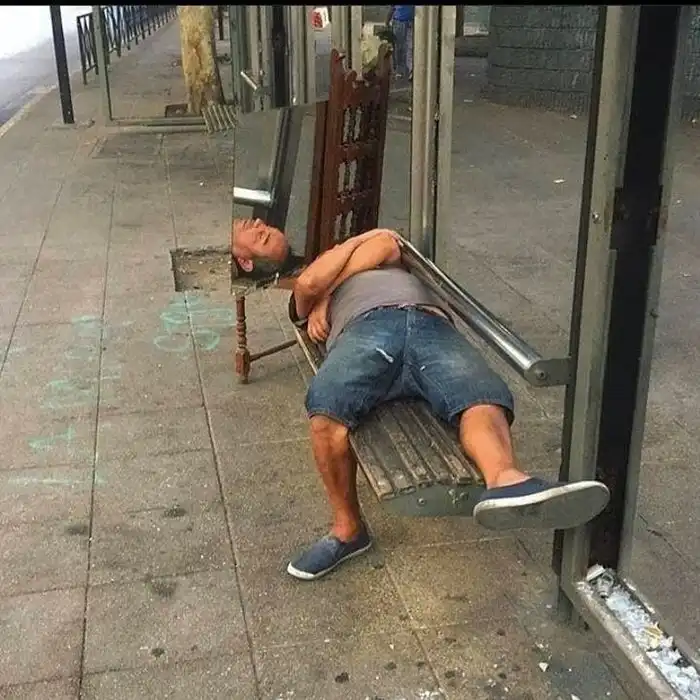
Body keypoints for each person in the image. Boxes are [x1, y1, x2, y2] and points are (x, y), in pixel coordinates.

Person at [230, 219, 610, 581]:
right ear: (246, 261)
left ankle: (507, 480)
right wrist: (356, 248)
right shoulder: (302, 296)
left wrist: (332, 287)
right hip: (366, 330)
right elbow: (313, 279)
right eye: (248, 230)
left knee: (479, 393)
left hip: (429, 322)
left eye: (261, 224)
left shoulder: (335, 277)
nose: (258, 224)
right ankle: (348, 530)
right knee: (326, 409)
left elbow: (386, 244)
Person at [386, 5, 414, 80]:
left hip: (410, 22)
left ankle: (408, 70)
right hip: (401, 22)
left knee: (408, 47)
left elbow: (391, 9)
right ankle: (400, 70)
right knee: (400, 48)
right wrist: (387, 21)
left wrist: (387, 21)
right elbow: (392, 8)